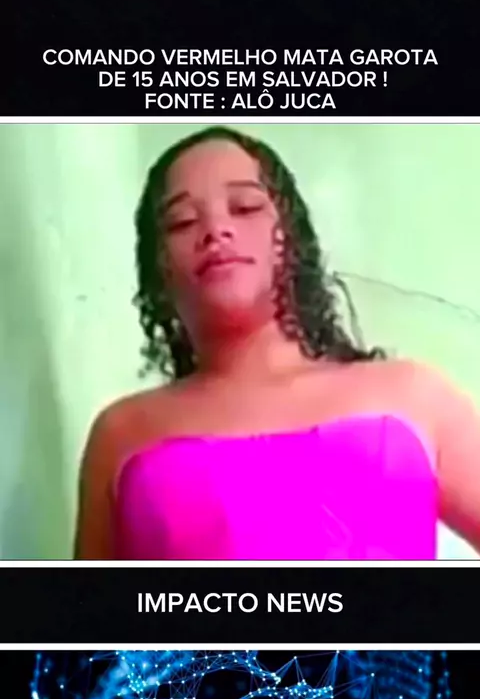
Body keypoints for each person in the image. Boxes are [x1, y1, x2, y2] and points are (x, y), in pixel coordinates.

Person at [75, 126, 480, 560]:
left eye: (245, 207)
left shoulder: (414, 395)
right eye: (183, 222)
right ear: (159, 270)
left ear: (290, 239)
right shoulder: (122, 435)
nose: (216, 230)